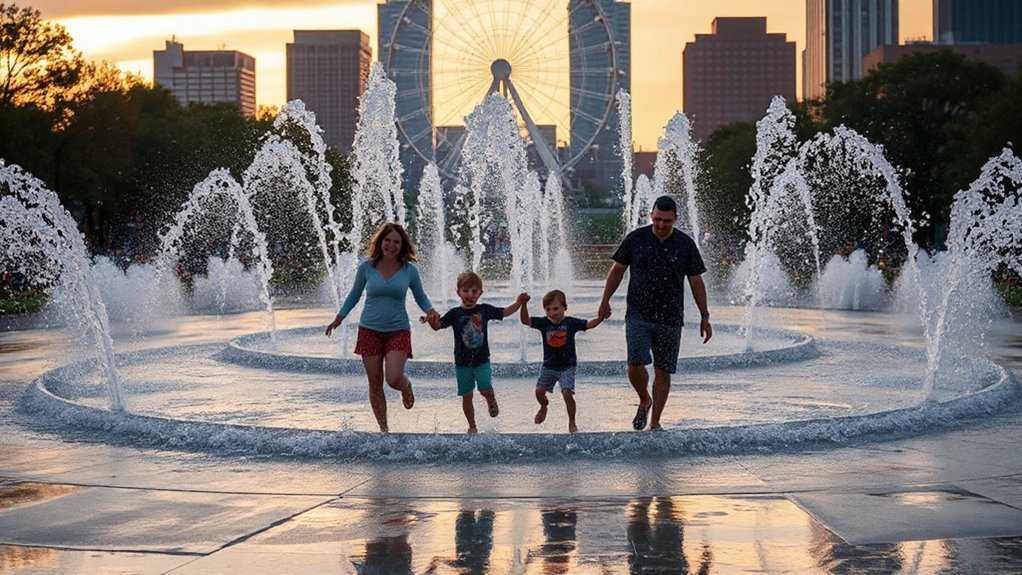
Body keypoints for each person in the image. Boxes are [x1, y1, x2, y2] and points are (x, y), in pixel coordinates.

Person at [598, 195, 712, 431]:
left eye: (666, 221)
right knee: (635, 363)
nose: (661, 225)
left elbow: (696, 281)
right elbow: (617, 270)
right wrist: (605, 300)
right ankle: (644, 399)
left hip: (670, 317)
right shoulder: (636, 239)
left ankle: (655, 422)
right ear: (651, 215)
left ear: (675, 219)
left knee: (663, 371)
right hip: (638, 314)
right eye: (657, 219)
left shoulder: (685, 244)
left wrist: (705, 316)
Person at [325, 222, 439, 432]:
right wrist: (340, 317)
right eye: (387, 240)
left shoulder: (409, 270)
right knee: (375, 382)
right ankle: (384, 430)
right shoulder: (367, 267)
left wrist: (431, 311)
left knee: (393, 378)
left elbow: (420, 296)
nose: (391, 245)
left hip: (398, 330)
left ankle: (406, 386)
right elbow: (354, 295)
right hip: (369, 331)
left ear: (402, 246)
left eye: (396, 242)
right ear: (380, 241)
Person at [425, 271, 528, 434]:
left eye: (474, 291)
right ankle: (472, 426)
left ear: (480, 293)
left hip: (482, 360)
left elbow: (505, 312)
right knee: (467, 396)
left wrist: (518, 302)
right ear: (458, 293)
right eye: (465, 291)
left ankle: (490, 397)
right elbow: (438, 326)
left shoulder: (484, 310)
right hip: (462, 363)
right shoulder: (454, 314)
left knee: (484, 388)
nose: (470, 295)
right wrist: (432, 321)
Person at [520, 289, 604, 433]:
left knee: (567, 393)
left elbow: (589, 324)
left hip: (567, 366)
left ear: (565, 307)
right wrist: (523, 305)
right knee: (539, 392)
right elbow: (525, 320)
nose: (552, 312)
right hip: (549, 366)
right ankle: (544, 406)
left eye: (556, 308)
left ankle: (572, 421)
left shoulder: (570, 323)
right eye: (548, 309)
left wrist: (600, 317)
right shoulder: (544, 323)